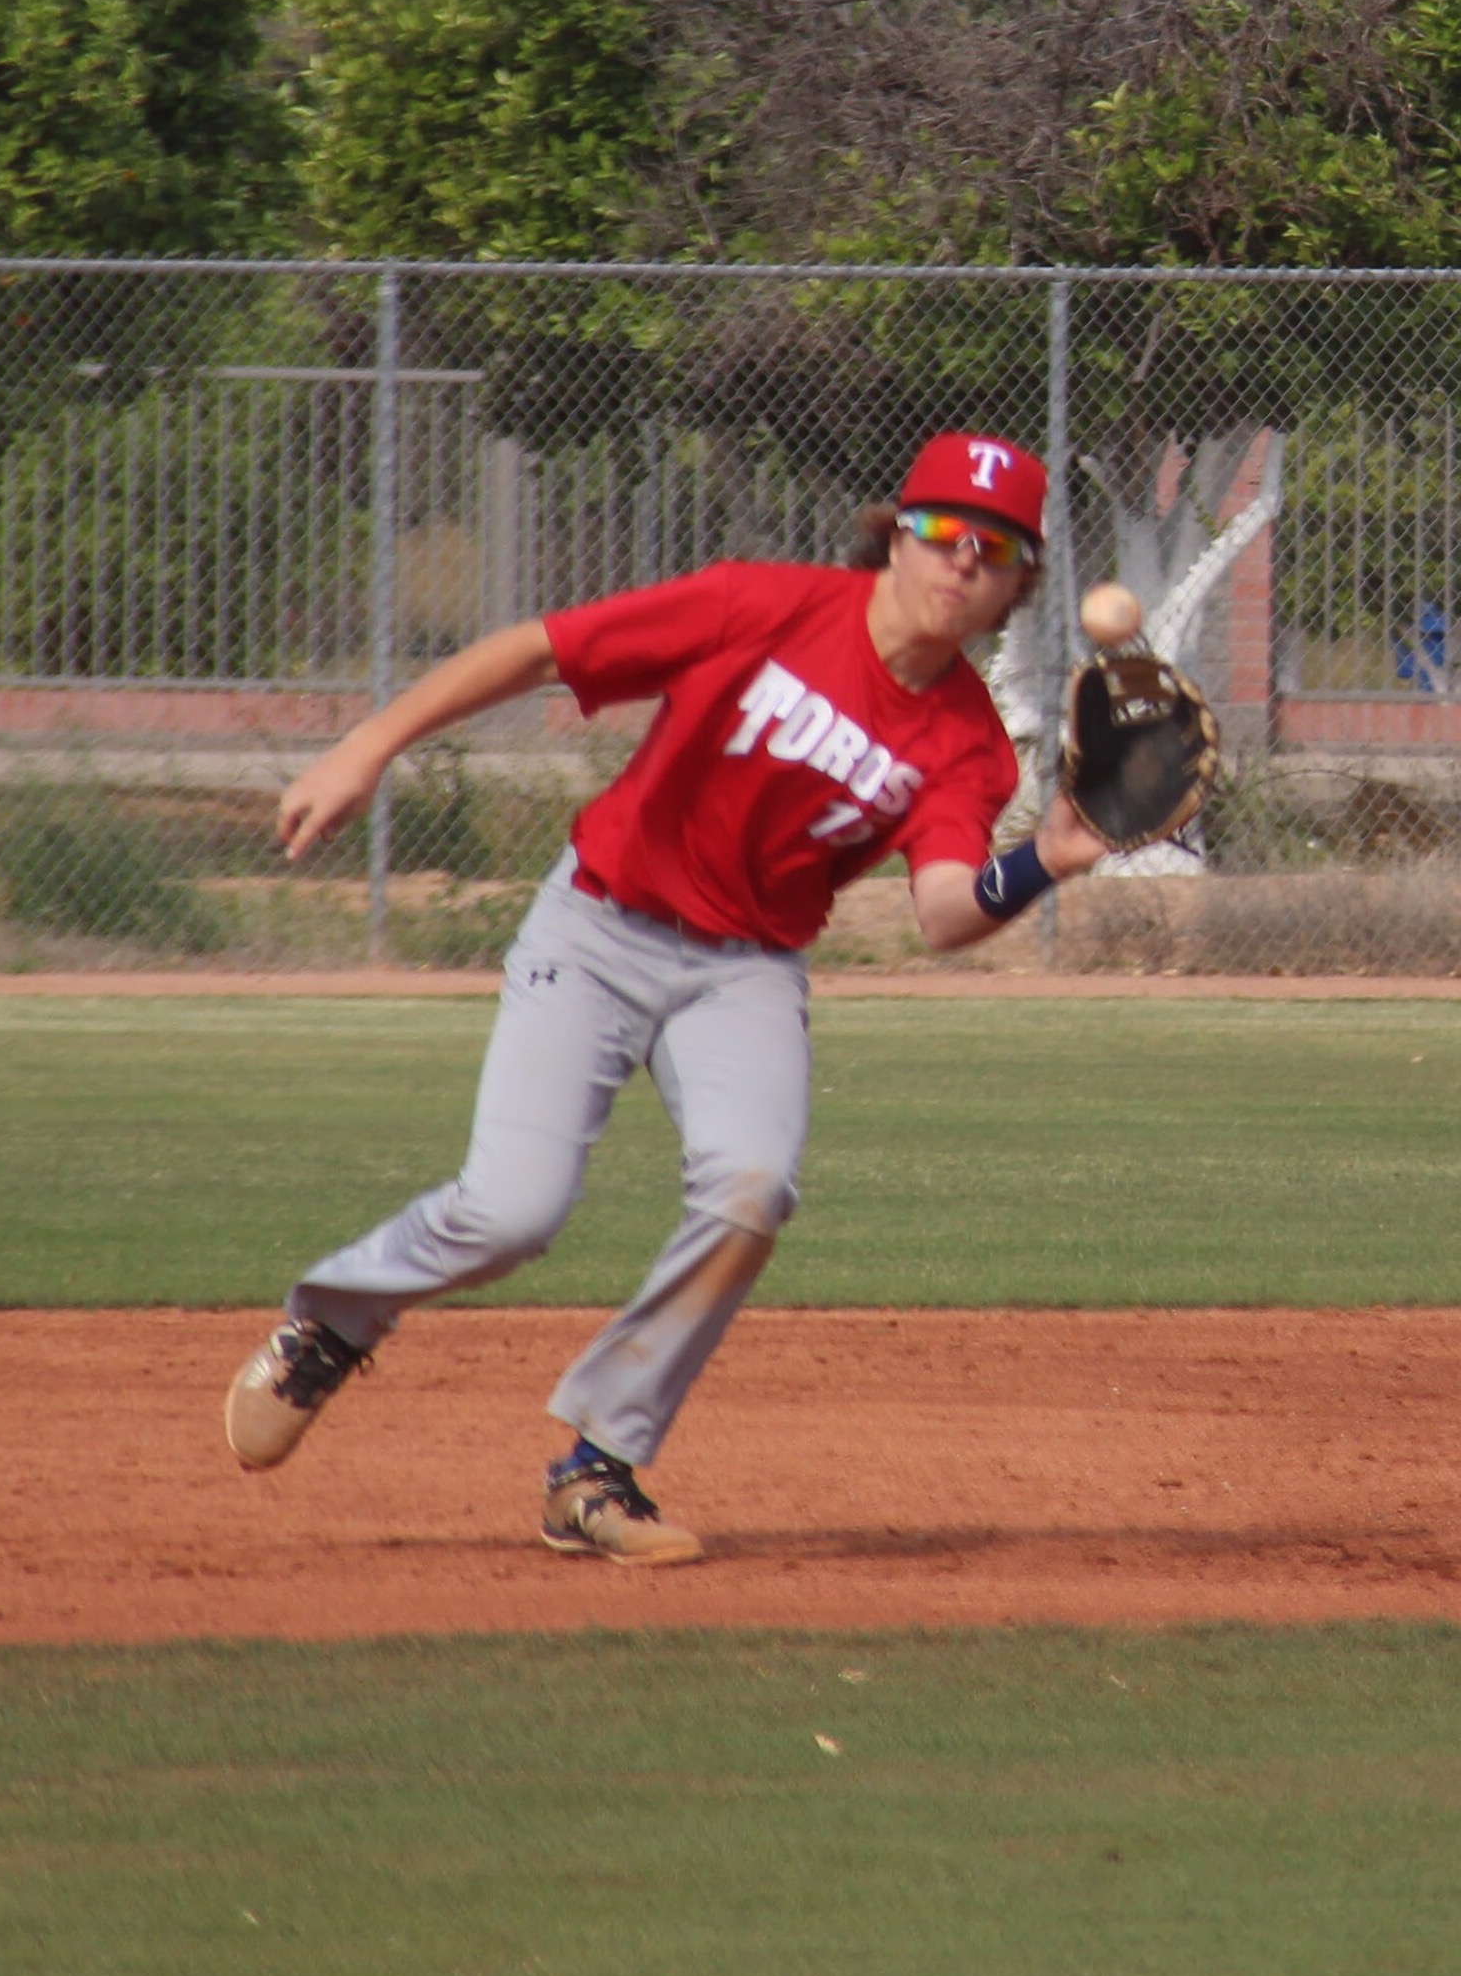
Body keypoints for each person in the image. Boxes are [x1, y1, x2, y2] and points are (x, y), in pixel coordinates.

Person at [224, 431, 1108, 1564]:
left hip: (742, 968)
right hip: (596, 924)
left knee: (751, 1190)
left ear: (1015, 587)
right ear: (894, 534)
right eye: (941, 532)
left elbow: (943, 909)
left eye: (994, 550)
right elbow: (540, 651)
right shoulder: (760, 605)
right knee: (512, 1210)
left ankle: (595, 1468)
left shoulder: (967, 744)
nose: (960, 563)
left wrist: (1052, 855)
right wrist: (369, 745)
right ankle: (332, 1321)